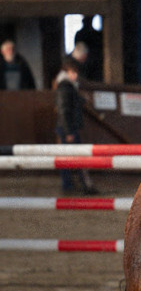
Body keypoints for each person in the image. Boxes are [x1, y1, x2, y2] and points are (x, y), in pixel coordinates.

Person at [54, 55, 97, 195]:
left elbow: (67, 106)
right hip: (68, 127)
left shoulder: (66, 86)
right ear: (67, 72)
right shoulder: (65, 87)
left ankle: (72, 185)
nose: (76, 75)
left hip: (67, 126)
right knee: (75, 157)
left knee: (69, 157)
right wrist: (69, 132)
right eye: (73, 72)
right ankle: (80, 185)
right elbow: (64, 110)